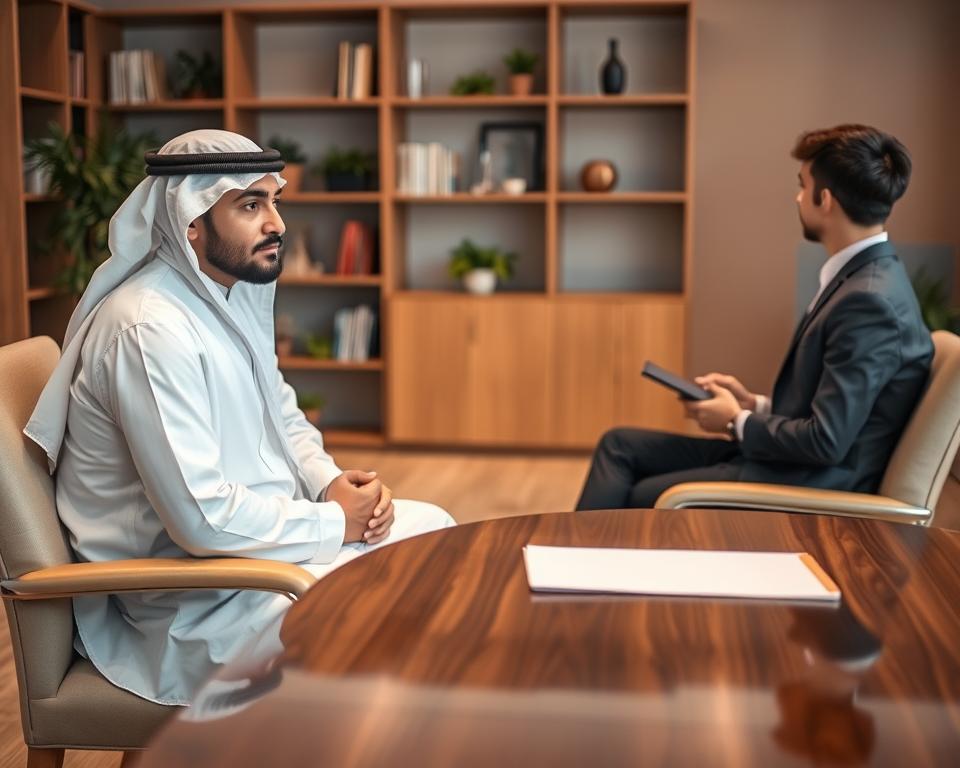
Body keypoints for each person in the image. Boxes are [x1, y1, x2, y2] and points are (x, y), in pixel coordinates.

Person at [24, 129, 455, 706]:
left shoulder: (222, 294)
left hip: (251, 563)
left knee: (434, 536)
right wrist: (335, 524)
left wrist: (327, 481)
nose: (275, 222)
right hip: (189, 605)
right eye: (250, 205)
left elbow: (279, 411)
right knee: (398, 617)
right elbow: (201, 520)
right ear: (191, 221)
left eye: (274, 201)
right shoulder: (151, 328)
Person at [576, 124, 933, 511]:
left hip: (806, 484)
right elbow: (832, 409)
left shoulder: (869, 302)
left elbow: (826, 441)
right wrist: (753, 405)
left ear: (825, 200)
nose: (797, 198)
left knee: (644, 496)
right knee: (619, 446)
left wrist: (736, 421)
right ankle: (574, 563)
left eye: (802, 185)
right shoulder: (863, 279)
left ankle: (578, 566)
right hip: (785, 462)